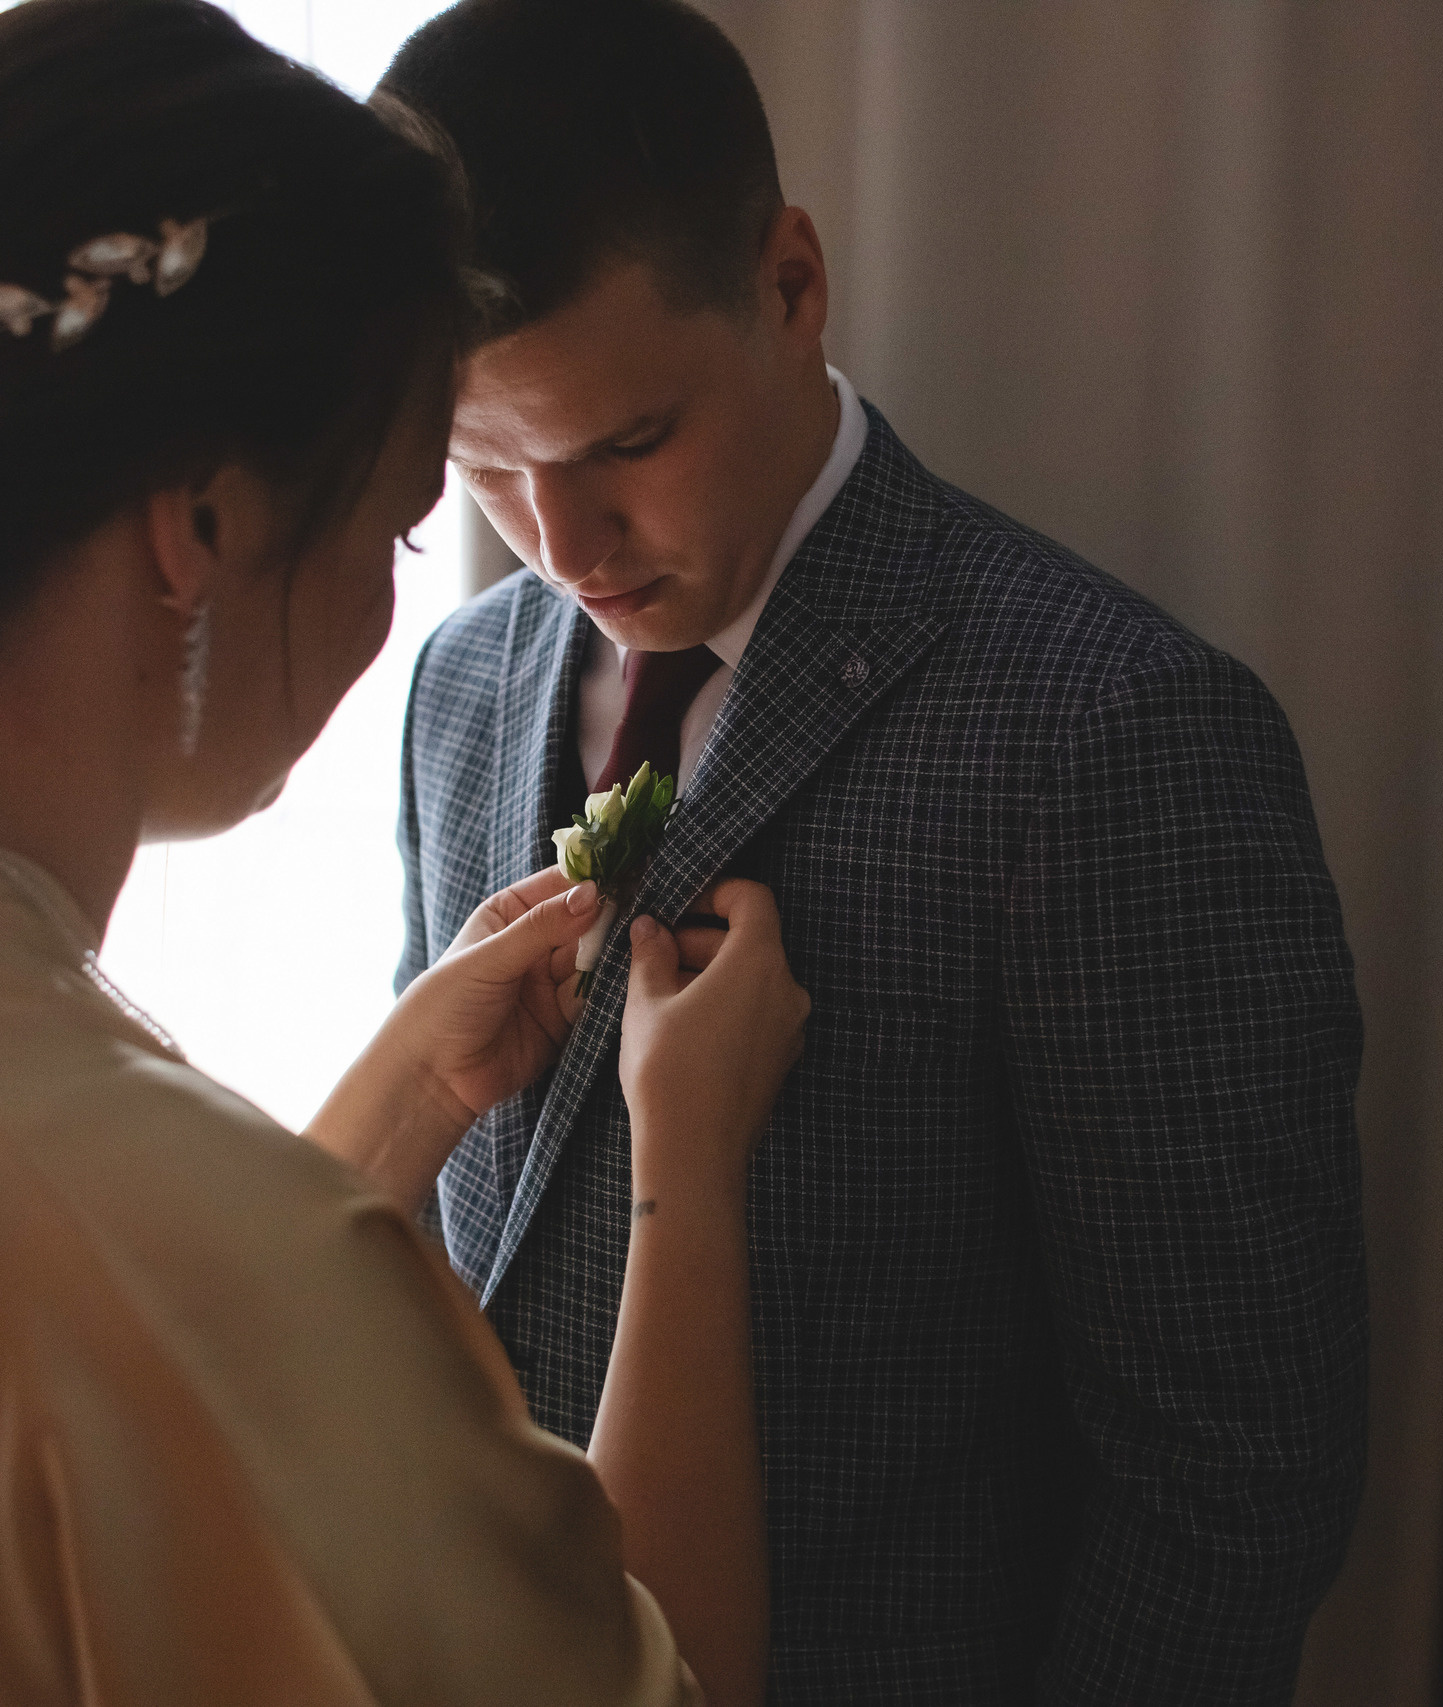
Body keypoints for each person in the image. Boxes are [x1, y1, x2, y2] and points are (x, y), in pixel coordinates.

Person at [0, 2, 808, 1702]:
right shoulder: (193, 1250)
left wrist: (405, 1105)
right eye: (404, 521)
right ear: (201, 527)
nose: (412, 604)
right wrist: (691, 1169)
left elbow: (121, 1397)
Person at [380, 2, 1370, 1700]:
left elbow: (1227, 1483)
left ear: (789, 282)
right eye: (484, 463)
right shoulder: (462, 682)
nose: (562, 546)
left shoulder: (1115, 736)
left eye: (629, 443)